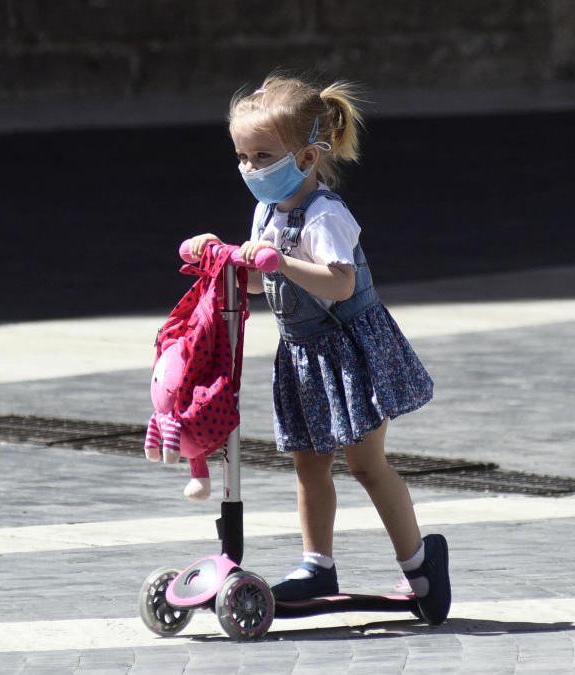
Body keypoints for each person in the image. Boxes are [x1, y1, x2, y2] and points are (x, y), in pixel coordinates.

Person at [186, 73, 450, 624]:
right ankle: (316, 564)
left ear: (306, 156)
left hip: (351, 351)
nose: (250, 168)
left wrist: (278, 262)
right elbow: (264, 281)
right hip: (303, 354)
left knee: (367, 463)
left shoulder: (326, 215)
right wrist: (227, 259)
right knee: (309, 464)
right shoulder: (268, 210)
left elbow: (339, 283)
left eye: (263, 156)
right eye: (242, 156)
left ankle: (421, 562)